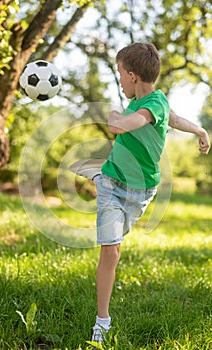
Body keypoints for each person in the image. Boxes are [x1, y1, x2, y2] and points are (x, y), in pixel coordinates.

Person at [91, 42, 211, 344]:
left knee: (115, 244)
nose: (118, 79)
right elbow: (165, 118)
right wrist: (198, 129)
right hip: (112, 184)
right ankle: (101, 322)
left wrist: (199, 130)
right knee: (111, 250)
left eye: (119, 73)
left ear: (132, 75)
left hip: (141, 193)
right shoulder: (137, 105)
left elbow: (148, 119)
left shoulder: (154, 103)